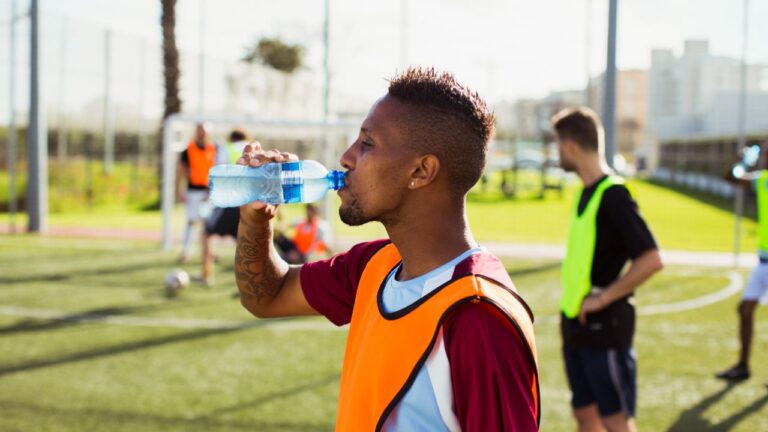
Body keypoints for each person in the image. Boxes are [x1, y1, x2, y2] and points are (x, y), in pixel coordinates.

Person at [234, 68, 541, 430]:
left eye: (367, 143)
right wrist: (257, 219)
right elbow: (266, 296)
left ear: (421, 171)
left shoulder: (478, 317)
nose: (346, 158)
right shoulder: (373, 266)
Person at [552, 107, 663, 432]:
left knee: (615, 421)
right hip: (575, 324)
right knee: (585, 415)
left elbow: (651, 258)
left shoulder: (614, 194)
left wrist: (603, 298)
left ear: (571, 146)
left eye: (558, 144)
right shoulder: (584, 193)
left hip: (605, 328)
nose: (557, 152)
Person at [716, 143, 768, 384]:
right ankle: (743, 366)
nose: (763, 157)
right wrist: (744, 161)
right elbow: (732, 177)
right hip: (763, 261)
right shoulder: (761, 179)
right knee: (745, 310)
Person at [196, 129, 250, 286]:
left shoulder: (227, 148)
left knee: (206, 234)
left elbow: (217, 173)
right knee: (245, 243)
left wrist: (209, 194)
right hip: (249, 204)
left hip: (230, 202)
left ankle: (206, 275)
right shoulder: (255, 148)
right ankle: (249, 282)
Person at [177, 123, 217, 263]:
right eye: (199, 131)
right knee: (191, 221)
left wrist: (212, 189)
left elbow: (215, 170)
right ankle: (186, 251)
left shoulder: (213, 148)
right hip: (193, 190)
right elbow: (182, 171)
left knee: (208, 224)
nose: (202, 134)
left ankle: (210, 252)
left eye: (204, 131)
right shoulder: (189, 149)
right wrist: (180, 189)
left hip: (207, 191)